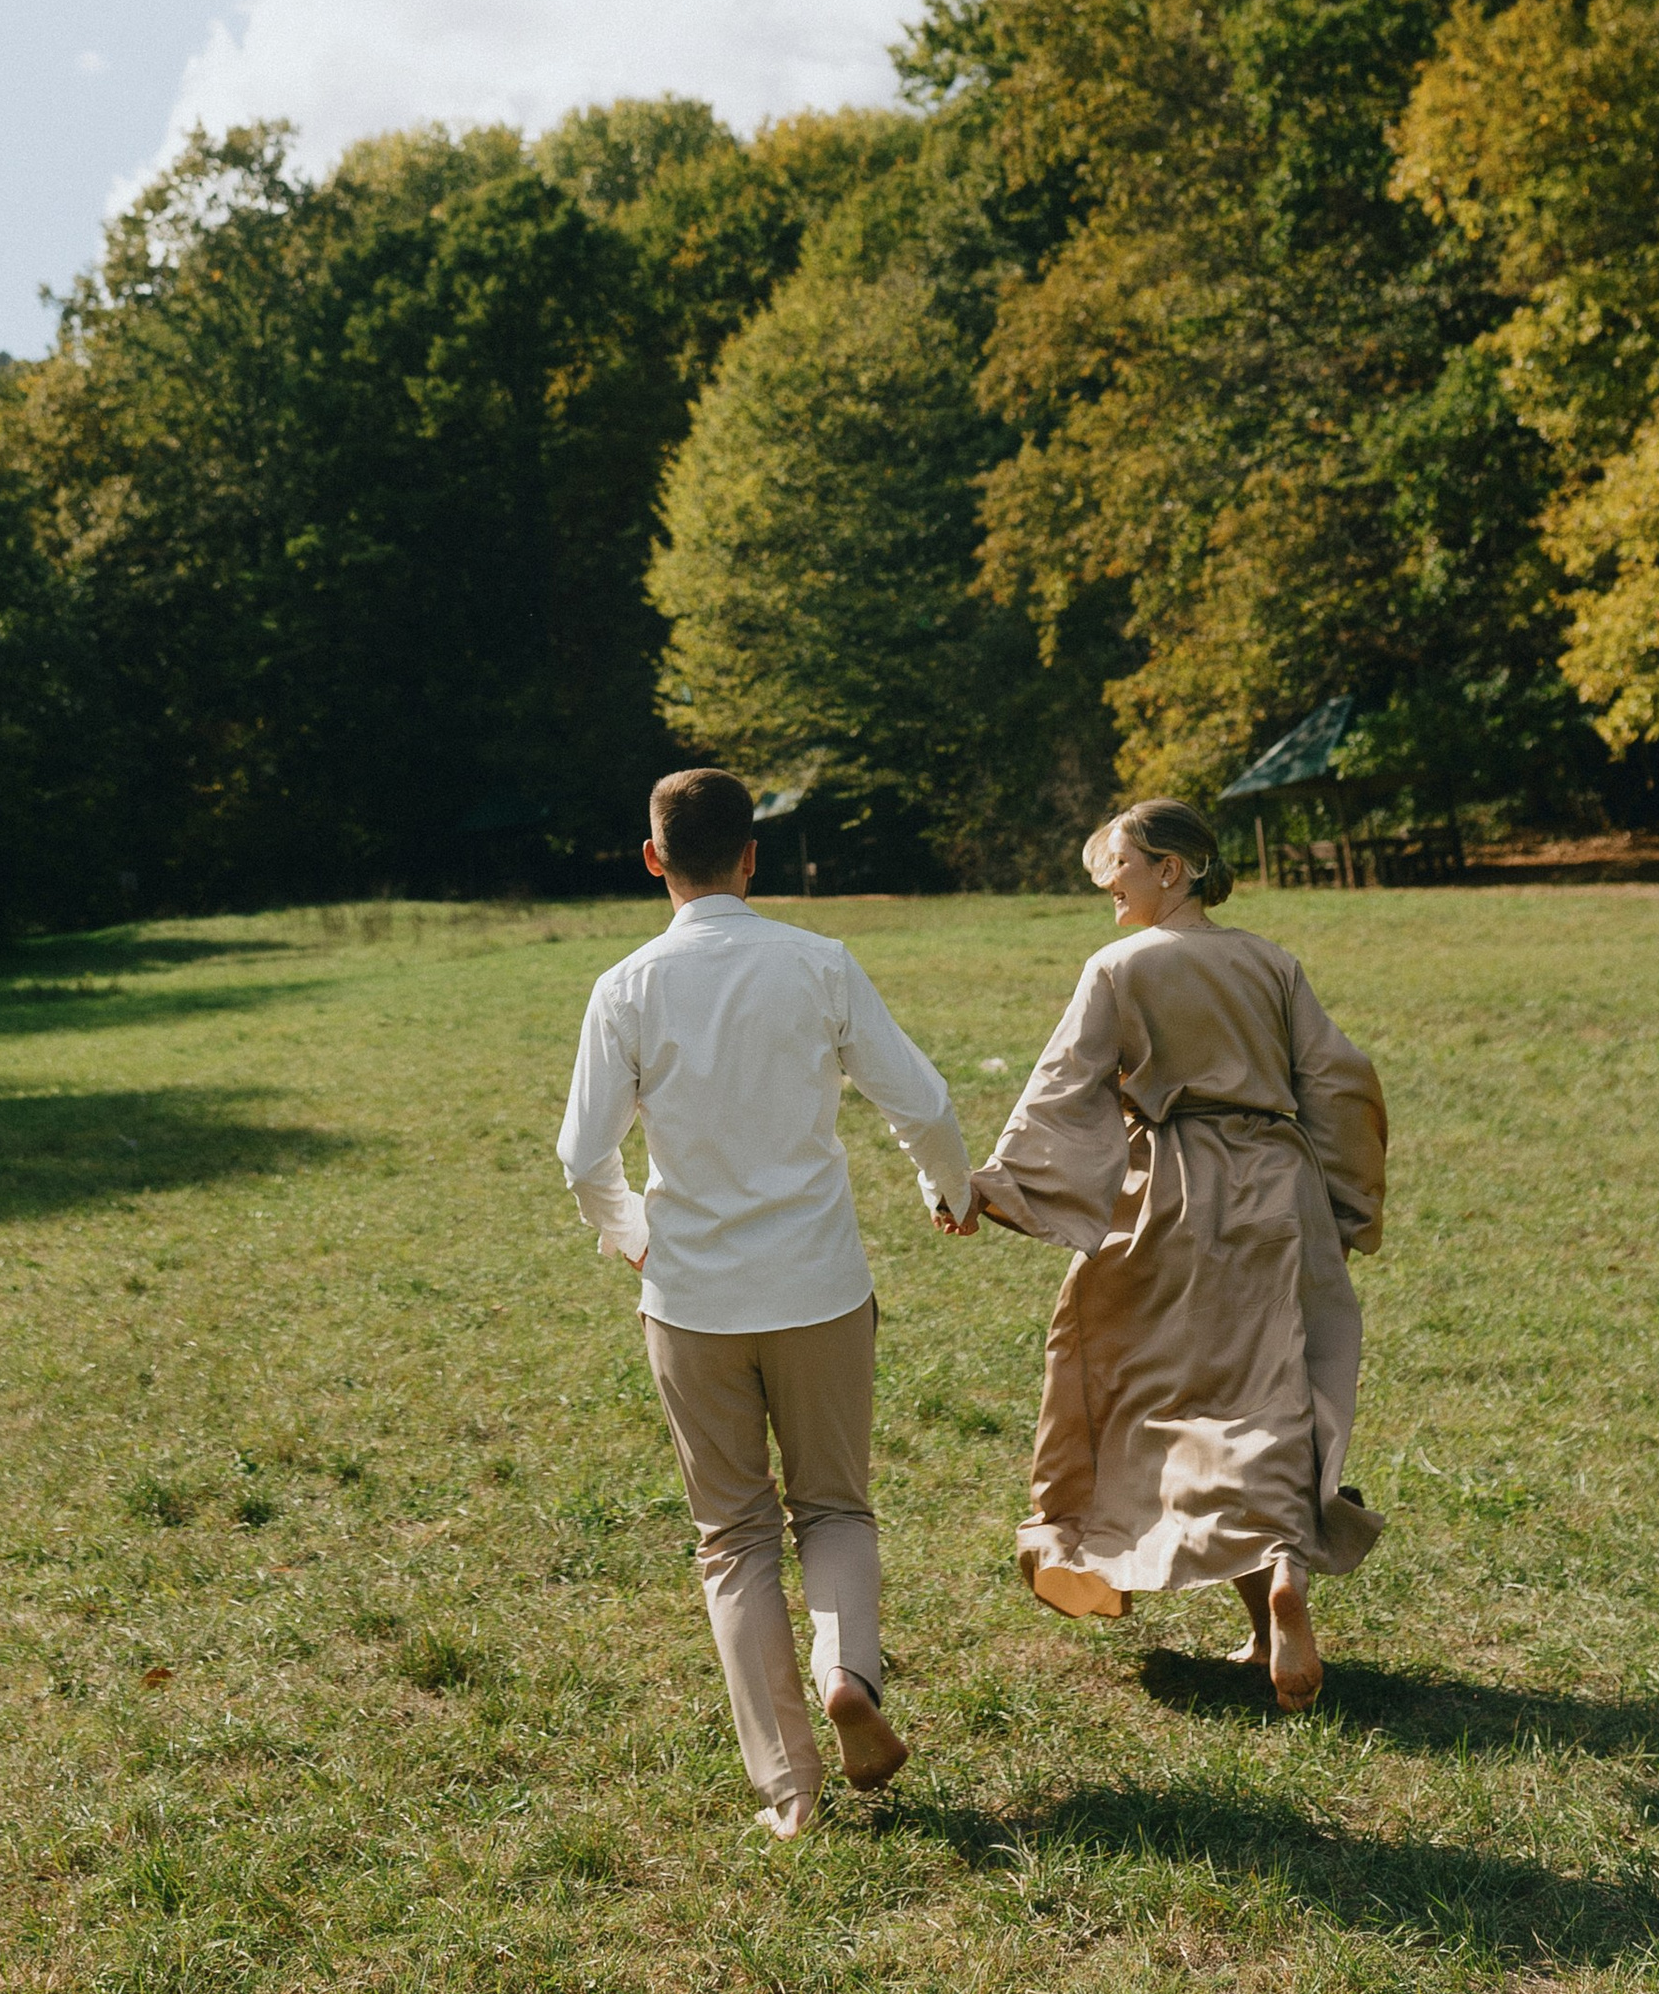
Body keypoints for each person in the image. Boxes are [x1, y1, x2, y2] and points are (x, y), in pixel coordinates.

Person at [557, 766, 974, 1834]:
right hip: (820, 1287)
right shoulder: (819, 963)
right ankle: (848, 1676)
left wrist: (631, 1237)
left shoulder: (625, 987)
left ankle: (790, 1790)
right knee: (833, 1507)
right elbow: (922, 1102)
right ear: (753, 855)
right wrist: (949, 1189)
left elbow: (583, 1154)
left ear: (652, 860)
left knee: (732, 1537)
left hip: (690, 1299)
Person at [942, 797, 1386, 1708]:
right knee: (1268, 1397)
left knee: (1158, 1397)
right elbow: (1337, 1080)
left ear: (1170, 869)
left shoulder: (1119, 967)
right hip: (1279, 1187)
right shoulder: (1271, 961)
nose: (1109, 886)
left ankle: (1253, 1603)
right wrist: (1344, 1201)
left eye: (1120, 867)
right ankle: (1279, 1582)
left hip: (1171, 1195)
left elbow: (1062, 1085)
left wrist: (997, 1186)